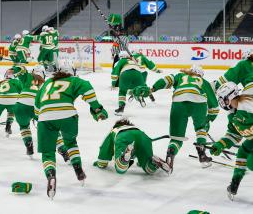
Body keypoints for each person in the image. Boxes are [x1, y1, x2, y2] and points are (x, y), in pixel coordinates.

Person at [35, 62, 108, 199]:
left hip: (44, 117)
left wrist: (39, 118)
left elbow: (37, 105)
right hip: (67, 115)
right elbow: (88, 89)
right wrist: (97, 108)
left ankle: (51, 175)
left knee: (48, 152)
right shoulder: (73, 80)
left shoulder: (47, 83)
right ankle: (78, 169)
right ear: (71, 71)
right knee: (71, 143)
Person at [133, 65, 219, 172]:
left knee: (177, 138)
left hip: (179, 102)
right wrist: (209, 119)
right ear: (200, 74)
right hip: (199, 103)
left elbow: (166, 80)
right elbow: (214, 105)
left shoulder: (180, 76)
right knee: (201, 128)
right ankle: (202, 154)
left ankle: (170, 158)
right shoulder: (203, 81)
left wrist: (152, 89)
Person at [211, 82, 253, 200]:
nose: (221, 103)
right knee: (242, 153)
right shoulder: (233, 113)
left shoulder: (247, 106)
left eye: (222, 99)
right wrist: (220, 145)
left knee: (251, 162)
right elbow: (234, 134)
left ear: (229, 97)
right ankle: (235, 183)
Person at [94, 119, 171, 175]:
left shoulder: (115, 131)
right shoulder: (136, 129)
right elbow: (140, 152)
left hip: (124, 137)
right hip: (143, 136)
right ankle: (153, 163)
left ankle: (123, 158)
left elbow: (104, 150)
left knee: (120, 168)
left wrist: (100, 163)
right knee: (149, 170)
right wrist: (142, 162)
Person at [111, 51, 158, 115]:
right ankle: (140, 96)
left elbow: (115, 73)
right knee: (137, 88)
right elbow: (143, 68)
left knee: (122, 91)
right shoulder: (134, 61)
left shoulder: (121, 61)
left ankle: (121, 108)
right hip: (138, 74)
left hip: (126, 74)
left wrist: (113, 83)